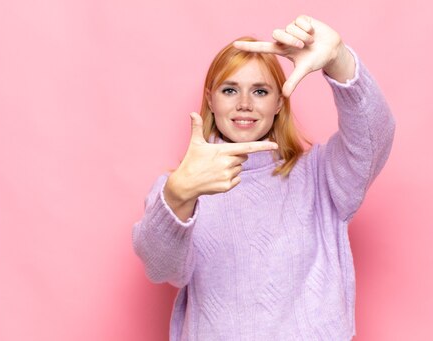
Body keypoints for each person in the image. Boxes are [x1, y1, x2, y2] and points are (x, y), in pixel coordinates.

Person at [132, 15, 395, 341]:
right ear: (211, 100)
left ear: (279, 102)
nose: (244, 104)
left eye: (260, 91)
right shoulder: (181, 188)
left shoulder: (320, 175)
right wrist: (176, 197)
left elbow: (375, 137)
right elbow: (162, 270)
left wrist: (340, 59)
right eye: (230, 90)